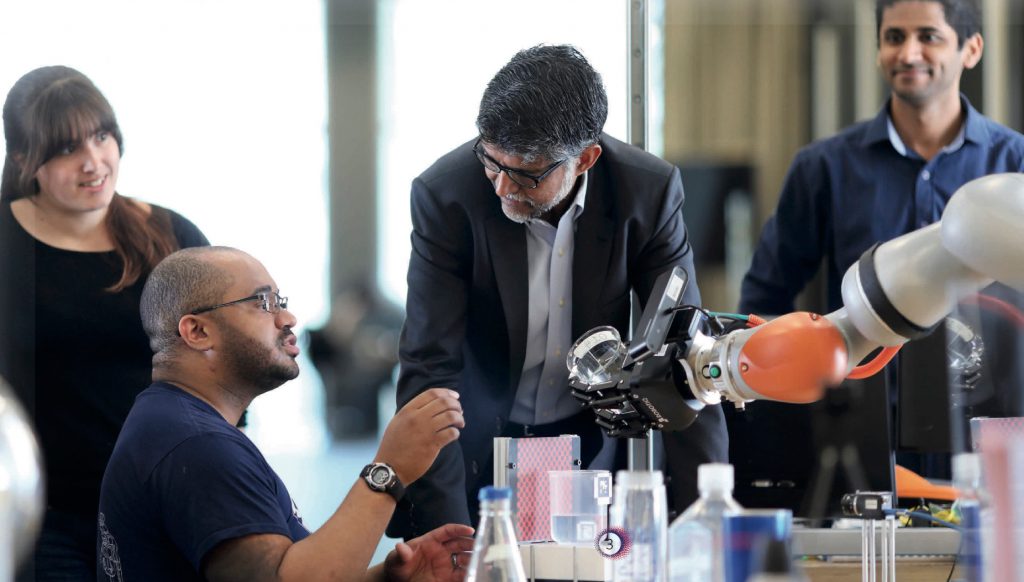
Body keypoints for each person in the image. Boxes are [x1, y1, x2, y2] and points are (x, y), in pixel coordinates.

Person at [389, 44, 728, 538]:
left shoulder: (646, 193)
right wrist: (449, 538)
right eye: (491, 161)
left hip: (588, 449)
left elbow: (688, 358)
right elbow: (429, 368)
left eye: (525, 173)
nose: (502, 187)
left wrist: (704, 525)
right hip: (476, 451)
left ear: (585, 159)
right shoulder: (447, 194)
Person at [734, 0, 1024, 502]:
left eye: (929, 36)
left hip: (993, 435)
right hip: (862, 439)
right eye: (894, 37)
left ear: (971, 49)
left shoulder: (1015, 164)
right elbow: (764, 299)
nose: (908, 52)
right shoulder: (823, 168)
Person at [97, 246, 471, 581]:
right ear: (197, 331)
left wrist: (385, 580)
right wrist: (390, 469)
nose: (288, 318)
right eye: (264, 303)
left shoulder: (174, 422)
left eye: (281, 301)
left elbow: (287, 568)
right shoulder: (198, 446)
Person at [0, 65, 210, 580]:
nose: (94, 162)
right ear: (27, 158)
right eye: (68, 148)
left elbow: (223, 358)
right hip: (48, 513)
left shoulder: (170, 234)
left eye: (101, 136)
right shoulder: (5, 244)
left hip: (165, 501)